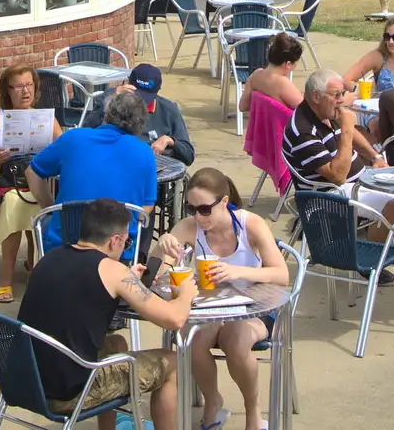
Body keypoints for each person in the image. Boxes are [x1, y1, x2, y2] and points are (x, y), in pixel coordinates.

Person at [17, 198, 195, 430]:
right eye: (126, 242)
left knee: (116, 343)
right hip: (69, 392)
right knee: (172, 362)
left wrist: (127, 279)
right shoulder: (113, 271)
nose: (124, 248)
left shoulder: (48, 258)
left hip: (28, 379)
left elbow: (85, 287)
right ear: (115, 240)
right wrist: (186, 294)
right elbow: (174, 319)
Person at [151, 169, 289, 430]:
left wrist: (238, 272)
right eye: (191, 209)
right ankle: (213, 400)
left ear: (224, 202)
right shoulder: (190, 227)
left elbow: (281, 274)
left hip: (254, 307)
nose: (198, 216)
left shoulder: (250, 224)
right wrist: (163, 246)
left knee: (235, 342)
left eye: (204, 209)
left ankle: (253, 411)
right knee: (191, 340)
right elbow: (157, 273)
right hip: (211, 307)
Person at [282, 69, 394, 266]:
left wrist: (374, 156)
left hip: (358, 182)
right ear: (316, 96)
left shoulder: (323, 111)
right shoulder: (303, 130)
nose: (341, 100)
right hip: (329, 196)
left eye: (342, 94)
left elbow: (352, 137)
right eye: (336, 95)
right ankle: (371, 265)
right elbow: (337, 176)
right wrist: (347, 127)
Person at [0, 65, 63, 302]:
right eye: (18, 86)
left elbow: (64, 150)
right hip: (3, 177)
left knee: (40, 203)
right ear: (7, 90)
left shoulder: (45, 119)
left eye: (29, 85)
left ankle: (34, 266)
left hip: (36, 178)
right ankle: (6, 278)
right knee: (13, 203)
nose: (25, 91)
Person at [27, 90, 158, 255]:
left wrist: (51, 207)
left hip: (66, 242)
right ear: (140, 125)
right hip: (116, 250)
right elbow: (145, 209)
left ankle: (40, 276)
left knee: (46, 222)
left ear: (107, 112)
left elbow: (32, 172)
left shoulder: (73, 138)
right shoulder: (145, 152)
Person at [123, 63, 195, 165]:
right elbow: (94, 133)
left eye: (146, 98)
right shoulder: (117, 105)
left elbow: (189, 155)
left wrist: (170, 140)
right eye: (137, 95)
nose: (142, 102)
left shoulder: (169, 109)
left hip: (159, 168)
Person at [240, 32, 304, 113]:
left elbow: (243, 106)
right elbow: (306, 110)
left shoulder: (256, 75)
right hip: (281, 125)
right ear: (288, 64)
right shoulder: (283, 83)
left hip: (261, 125)